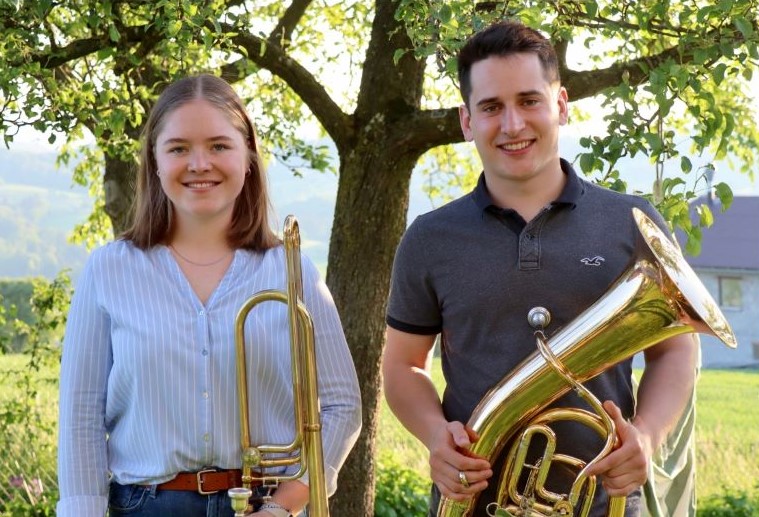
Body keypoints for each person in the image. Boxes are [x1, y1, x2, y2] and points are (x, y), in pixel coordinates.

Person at [382, 20, 698, 517]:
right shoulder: (430, 238)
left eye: (529, 100)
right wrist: (435, 437)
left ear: (561, 105)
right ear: (467, 121)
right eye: (491, 107)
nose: (512, 125)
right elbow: (403, 366)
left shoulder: (632, 221)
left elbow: (676, 349)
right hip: (474, 502)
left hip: (604, 503)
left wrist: (648, 436)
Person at [57, 74, 362, 517]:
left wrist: (285, 506)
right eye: (178, 148)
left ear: (249, 159)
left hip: (266, 505)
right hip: (146, 507)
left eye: (219, 146)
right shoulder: (108, 269)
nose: (199, 163)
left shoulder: (292, 269)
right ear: (155, 162)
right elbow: (81, 419)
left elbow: (341, 404)